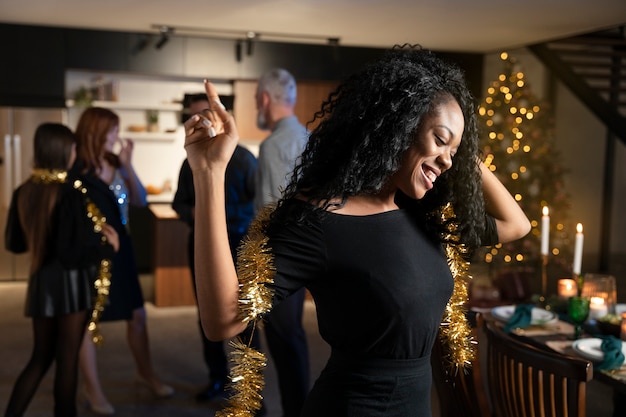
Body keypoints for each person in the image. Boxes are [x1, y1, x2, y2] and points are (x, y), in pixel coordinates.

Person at [184, 45, 531, 417]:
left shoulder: (425, 217)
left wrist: (462, 149)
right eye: (440, 140)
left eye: (455, 151)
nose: (448, 160)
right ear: (399, 128)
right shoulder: (321, 221)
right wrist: (209, 173)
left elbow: (516, 224)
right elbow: (222, 320)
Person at [4, 123, 119, 417]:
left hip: (41, 284)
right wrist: (107, 246)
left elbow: (14, 244)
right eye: (73, 148)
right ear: (64, 152)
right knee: (66, 362)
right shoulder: (70, 193)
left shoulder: (23, 191)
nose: (76, 153)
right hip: (71, 286)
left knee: (40, 358)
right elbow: (73, 254)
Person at [71, 107, 173, 415]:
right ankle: (93, 390)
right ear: (95, 131)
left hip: (124, 249)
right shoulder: (77, 170)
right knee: (87, 322)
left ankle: (145, 373)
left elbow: (140, 200)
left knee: (138, 315)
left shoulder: (116, 163)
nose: (117, 136)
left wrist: (128, 166)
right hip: (93, 254)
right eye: (112, 130)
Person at [172, 94, 262, 404]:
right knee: (206, 315)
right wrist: (195, 213)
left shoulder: (245, 159)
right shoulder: (190, 162)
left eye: (204, 115)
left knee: (245, 319)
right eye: (193, 116)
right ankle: (216, 379)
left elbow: (260, 205)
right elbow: (179, 203)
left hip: (240, 246)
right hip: (202, 245)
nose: (199, 122)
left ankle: (252, 392)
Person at [253, 68, 310, 417]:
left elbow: (272, 213)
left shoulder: (273, 144)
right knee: (293, 340)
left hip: (280, 261)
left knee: (285, 340)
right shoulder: (309, 138)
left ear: (264, 100)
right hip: (306, 254)